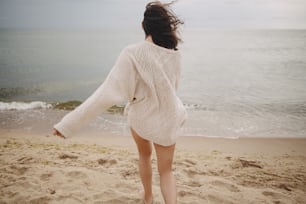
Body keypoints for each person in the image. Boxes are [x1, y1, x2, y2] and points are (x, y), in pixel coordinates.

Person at [53, 1, 186, 203]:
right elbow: (172, 88)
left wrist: (68, 124)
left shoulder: (132, 53)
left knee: (144, 156)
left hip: (142, 117)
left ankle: (148, 197)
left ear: (144, 26)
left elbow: (107, 93)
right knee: (166, 172)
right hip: (168, 117)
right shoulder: (175, 54)